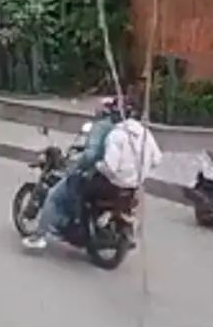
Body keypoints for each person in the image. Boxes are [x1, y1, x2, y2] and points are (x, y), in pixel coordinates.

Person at [23, 99, 161, 250]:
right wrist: (138, 172)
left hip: (108, 181)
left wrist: (85, 166)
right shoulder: (144, 134)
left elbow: (97, 159)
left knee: (54, 195)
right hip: (133, 185)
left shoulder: (111, 131)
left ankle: (40, 235)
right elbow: (156, 159)